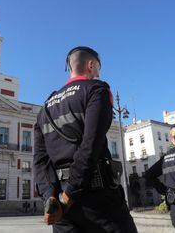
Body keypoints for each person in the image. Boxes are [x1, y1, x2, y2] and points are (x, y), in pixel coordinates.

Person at [34, 46, 137, 233]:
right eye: (98, 68)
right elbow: (90, 145)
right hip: (98, 199)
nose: (98, 73)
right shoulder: (96, 90)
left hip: (61, 208)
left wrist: (50, 197)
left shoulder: (45, 108)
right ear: (91, 65)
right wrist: (70, 193)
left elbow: (40, 160)